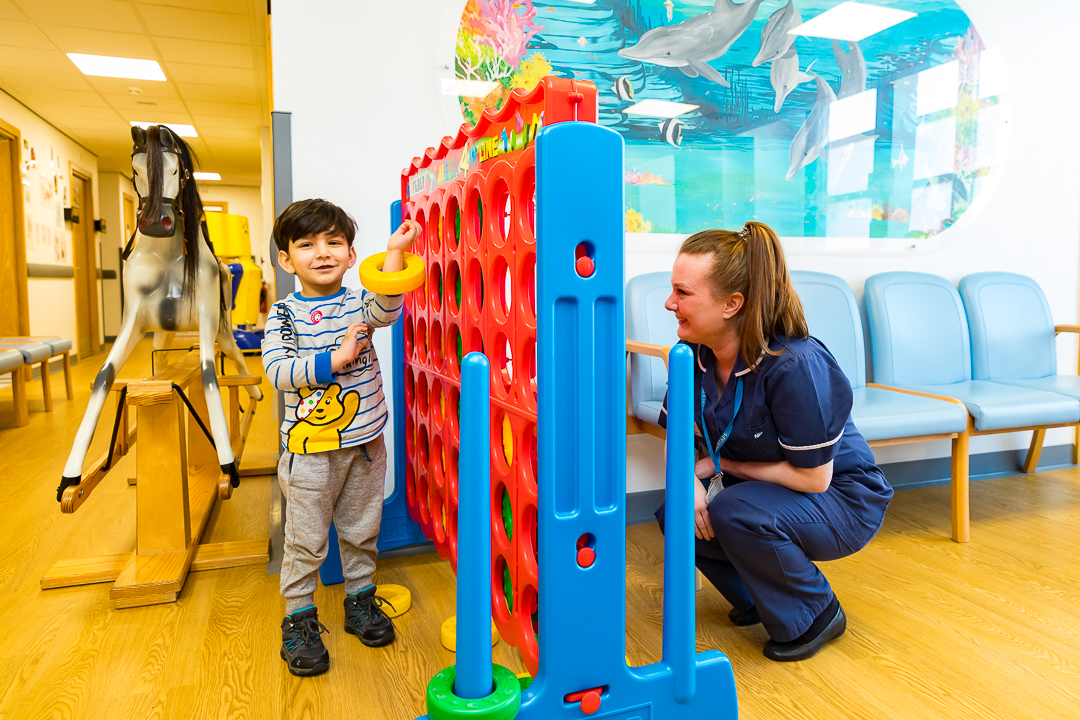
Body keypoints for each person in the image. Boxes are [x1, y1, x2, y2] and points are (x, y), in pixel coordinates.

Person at [654, 222, 893, 662]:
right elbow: (679, 439)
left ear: (732, 304)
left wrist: (717, 467)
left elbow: (814, 479)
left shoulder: (794, 364)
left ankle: (816, 614)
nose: (670, 304)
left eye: (682, 293)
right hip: (771, 490)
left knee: (731, 509)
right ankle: (760, 598)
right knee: (677, 509)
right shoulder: (693, 356)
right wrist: (687, 481)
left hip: (840, 498)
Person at [262, 198, 419, 676]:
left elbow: (388, 304)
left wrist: (394, 251)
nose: (323, 252)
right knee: (306, 540)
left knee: (361, 528)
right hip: (310, 454)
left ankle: (360, 601)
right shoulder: (284, 314)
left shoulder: (357, 302)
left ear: (352, 255)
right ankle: (300, 620)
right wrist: (336, 358)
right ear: (287, 261)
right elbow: (278, 371)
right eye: (307, 244)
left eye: (335, 242)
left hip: (366, 444)